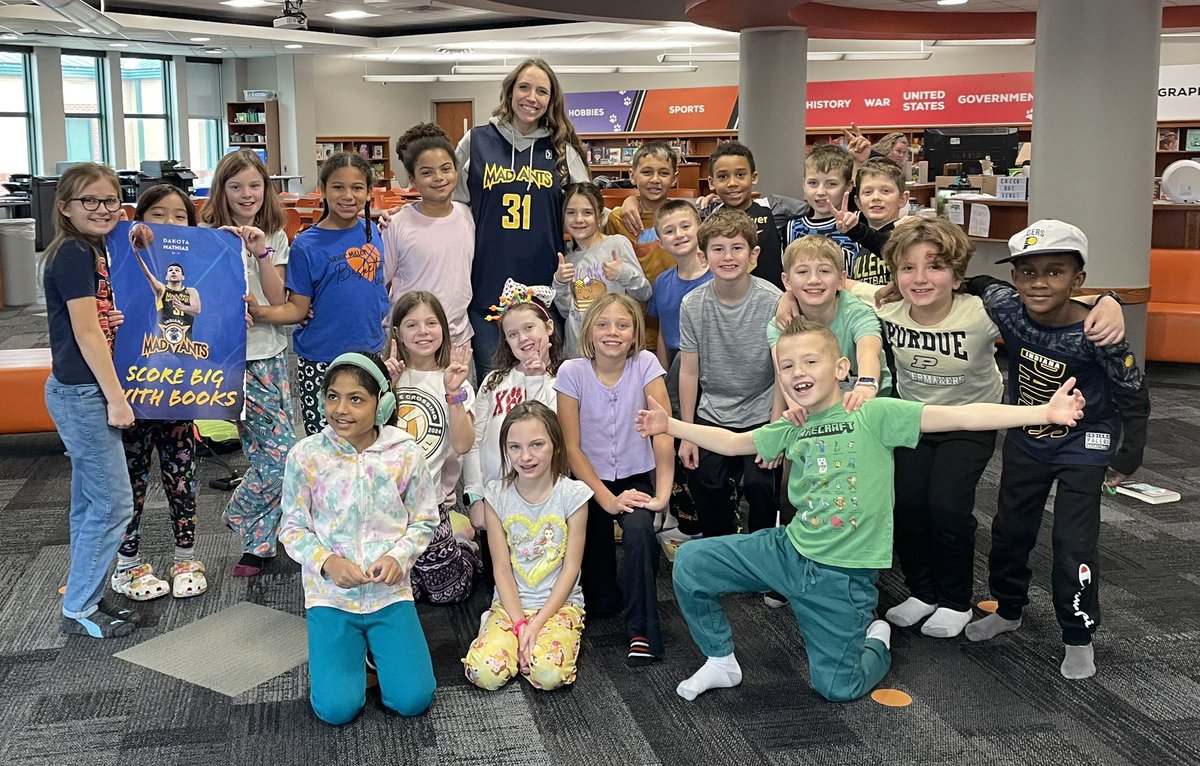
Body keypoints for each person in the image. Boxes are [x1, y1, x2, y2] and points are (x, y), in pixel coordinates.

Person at [635, 316, 1090, 703]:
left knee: (838, 687)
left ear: (841, 368)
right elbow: (735, 442)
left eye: (810, 362)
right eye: (787, 366)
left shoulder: (871, 415)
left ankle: (876, 639)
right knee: (691, 562)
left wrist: (1042, 413)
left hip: (841, 576)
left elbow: (961, 416)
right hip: (787, 550)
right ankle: (721, 661)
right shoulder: (792, 426)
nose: (797, 372)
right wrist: (670, 424)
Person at [963, 220, 1149, 680]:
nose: (1039, 283)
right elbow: (978, 282)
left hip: (1085, 443)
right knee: (1010, 529)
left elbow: (1134, 396)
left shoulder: (1097, 333)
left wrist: (1127, 458)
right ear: (1015, 278)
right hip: (1028, 438)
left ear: (1077, 279)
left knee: (1073, 543)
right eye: (1027, 273)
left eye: (1054, 272)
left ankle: (1078, 635)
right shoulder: (1007, 306)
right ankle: (1008, 608)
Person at [278, 352, 438, 724]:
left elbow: (424, 520)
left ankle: (374, 656)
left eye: (356, 399)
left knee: (413, 699)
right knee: (336, 710)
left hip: (388, 595)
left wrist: (399, 557)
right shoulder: (306, 456)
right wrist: (327, 562)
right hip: (331, 598)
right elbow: (292, 528)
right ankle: (359, 656)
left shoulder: (404, 453)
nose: (341, 409)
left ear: (382, 404)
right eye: (332, 396)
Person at [42, 162, 139, 638]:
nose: (102, 209)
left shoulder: (91, 249)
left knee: (88, 503)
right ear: (65, 207)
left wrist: (107, 318)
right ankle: (80, 606)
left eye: (110, 200)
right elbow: (84, 332)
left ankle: (86, 593)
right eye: (89, 201)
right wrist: (116, 399)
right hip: (85, 392)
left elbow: (87, 321)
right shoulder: (73, 253)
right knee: (113, 505)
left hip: (80, 388)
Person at [555, 293, 674, 665]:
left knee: (639, 531)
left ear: (635, 333)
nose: (613, 332)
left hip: (635, 478)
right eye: (603, 325)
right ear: (589, 331)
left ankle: (643, 632)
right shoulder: (572, 372)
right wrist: (606, 500)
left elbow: (663, 432)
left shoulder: (646, 364)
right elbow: (571, 449)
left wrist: (662, 496)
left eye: (623, 325)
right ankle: (603, 597)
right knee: (602, 602)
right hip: (588, 483)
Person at [455, 58, 590, 376]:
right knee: (493, 380)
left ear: (551, 100)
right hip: (487, 284)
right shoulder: (476, 141)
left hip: (546, 289)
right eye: (524, 87)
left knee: (544, 380)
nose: (532, 97)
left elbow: (588, 208)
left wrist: (625, 205)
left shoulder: (561, 149)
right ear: (510, 91)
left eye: (542, 91)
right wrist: (406, 212)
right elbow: (450, 203)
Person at [201, 149, 297, 577]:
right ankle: (245, 518)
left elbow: (278, 301)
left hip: (270, 353)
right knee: (276, 456)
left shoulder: (274, 234)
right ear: (221, 190)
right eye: (236, 186)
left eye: (255, 185)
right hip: (229, 358)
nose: (246, 194)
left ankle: (254, 537)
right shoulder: (207, 235)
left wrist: (260, 253)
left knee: (271, 454)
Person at [247, 152, 388, 437]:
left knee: (369, 434)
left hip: (370, 351)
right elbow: (297, 309)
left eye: (357, 187)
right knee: (324, 441)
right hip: (321, 358)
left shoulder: (372, 230)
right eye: (338, 187)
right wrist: (260, 312)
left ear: (369, 192)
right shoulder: (306, 244)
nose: (348, 195)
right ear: (322, 190)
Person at [110, 186, 206, 601]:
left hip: (179, 390)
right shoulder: (117, 262)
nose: (169, 223)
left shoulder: (190, 285)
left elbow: (201, 308)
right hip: (134, 391)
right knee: (129, 483)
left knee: (181, 478)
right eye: (158, 214)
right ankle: (127, 563)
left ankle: (186, 557)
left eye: (180, 216)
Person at [462, 401, 591, 691]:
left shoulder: (573, 495)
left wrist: (537, 623)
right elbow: (501, 569)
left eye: (537, 444)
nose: (525, 456)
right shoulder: (496, 495)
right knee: (484, 674)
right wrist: (521, 625)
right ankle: (500, 631)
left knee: (547, 674)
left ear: (555, 445)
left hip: (560, 605)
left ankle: (532, 642)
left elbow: (571, 569)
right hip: (510, 604)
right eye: (515, 447)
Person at [678, 209, 782, 541]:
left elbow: (782, 373)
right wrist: (688, 433)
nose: (728, 256)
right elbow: (689, 371)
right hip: (713, 411)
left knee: (761, 485)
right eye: (718, 249)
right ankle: (722, 547)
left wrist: (776, 431)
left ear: (753, 255)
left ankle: (763, 551)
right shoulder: (692, 304)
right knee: (705, 480)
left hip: (761, 411)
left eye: (737, 248)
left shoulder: (774, 302)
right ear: (702, 256)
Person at [385, 292, 480, 604]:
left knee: (448, 593)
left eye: (431, 323)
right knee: (401, 593)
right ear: (397, 332)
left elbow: (463, 444)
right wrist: (387, 389)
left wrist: (453, 394)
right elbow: (365, 439)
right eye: (412, 325)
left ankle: (461, 543)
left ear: (443, 330)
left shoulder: (455, 381)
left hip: (431, 506)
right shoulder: (384, 377)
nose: (423, 332)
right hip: (385, 507)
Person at [463, 279, 562, 530]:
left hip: (544, 503)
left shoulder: (565, 379)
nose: (523, 338)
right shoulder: (494, 381)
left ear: (549, 326)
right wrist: (475, 496)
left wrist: (535, 380)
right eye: (512, 334)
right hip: (494, 501)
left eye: (529, 327)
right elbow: (475, 441)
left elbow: (547, 432)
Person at [768, 235, 889, 413]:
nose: (813, 280)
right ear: (787, 281)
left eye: (824, 271)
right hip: (814, 407)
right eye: (802, 272)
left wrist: (865, 385)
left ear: (841, 280)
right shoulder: (780, 324)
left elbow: (869, 351)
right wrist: (796, 408)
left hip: (867, 404)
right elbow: (783, 373)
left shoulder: (858, 313)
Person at [383, 122, 474, 349]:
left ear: (456, 170)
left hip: (457, 338)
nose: (439, 177)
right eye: (426, 173)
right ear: (413, 180)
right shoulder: (397, 223)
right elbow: (377, 283)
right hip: (412, 340)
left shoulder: (467, 215)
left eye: (446, 169)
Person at [553, 182, 650, 358]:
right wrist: (559, 282)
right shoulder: (568, 260)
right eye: (571, 212)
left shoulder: (617, 244)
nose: (579, 219)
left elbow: (644, 293)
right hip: (578, 354)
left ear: (600, 216)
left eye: (587, 212)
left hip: (613, 351)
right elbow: (566, 311)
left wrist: (623, 273)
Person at [603, 142, 683, 352]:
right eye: (647, 172)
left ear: (674, 178)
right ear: (632, 175)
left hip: (674, 326)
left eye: (663, 173)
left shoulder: (683, 219)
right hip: (628, 328)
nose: (655, 179)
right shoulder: (617, 219)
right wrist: (629, 200)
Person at [701, 141, 786, 291]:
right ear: (711, 182)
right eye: (722, 177)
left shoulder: (774, 208)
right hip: (728, 297)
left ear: (754, 177)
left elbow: (813, 209)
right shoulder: (709, 217)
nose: (732, 183)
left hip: (774, 298)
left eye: (740, 175)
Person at [832, 157, 910, 286]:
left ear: (902, 199)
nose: (876, 197)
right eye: (868, 192)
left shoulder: (907, 234)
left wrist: (855, 229)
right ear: (858, 202)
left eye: (886, 191)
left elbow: (885, 245)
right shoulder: (855, 243)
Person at [785, 145, 859, 275]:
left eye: (831, 184)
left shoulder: (858, 222)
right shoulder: (792, 228)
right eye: (813, 183)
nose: (820, 192)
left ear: (848, 186)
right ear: (803, 184)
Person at [129, 221, 201, 347]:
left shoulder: (191, 291)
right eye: (170, 270)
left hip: (186, 343)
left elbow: (197, 310)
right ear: (166, 277)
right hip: (162, 342)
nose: (173, 272)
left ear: (182, 277)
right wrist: (136, 253)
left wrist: (183, 307)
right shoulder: (161, 290)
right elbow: (148, 275)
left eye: (177, 270)